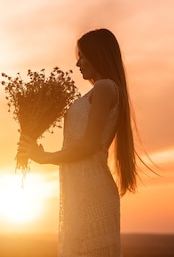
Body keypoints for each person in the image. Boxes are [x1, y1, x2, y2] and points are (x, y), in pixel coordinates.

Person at [19, 28, 140, 257]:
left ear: (97, 55)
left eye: (82, 56)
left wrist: (45, 157)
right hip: (80, 188)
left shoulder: (105, 87)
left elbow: (90, 145)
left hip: (90, 190)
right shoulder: (98, 91)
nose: (78, 64)